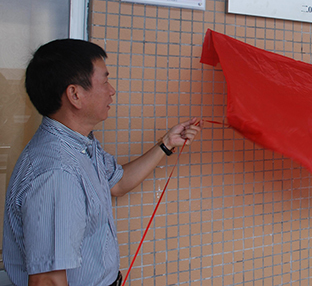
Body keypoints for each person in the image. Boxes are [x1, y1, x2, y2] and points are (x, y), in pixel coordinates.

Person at [3, 39, 202, 286]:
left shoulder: (79, 143)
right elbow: (47, 280)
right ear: (75, 94)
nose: (112, 90)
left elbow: (117, 183)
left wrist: (167, 143)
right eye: (105, 81)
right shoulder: (57, 173)